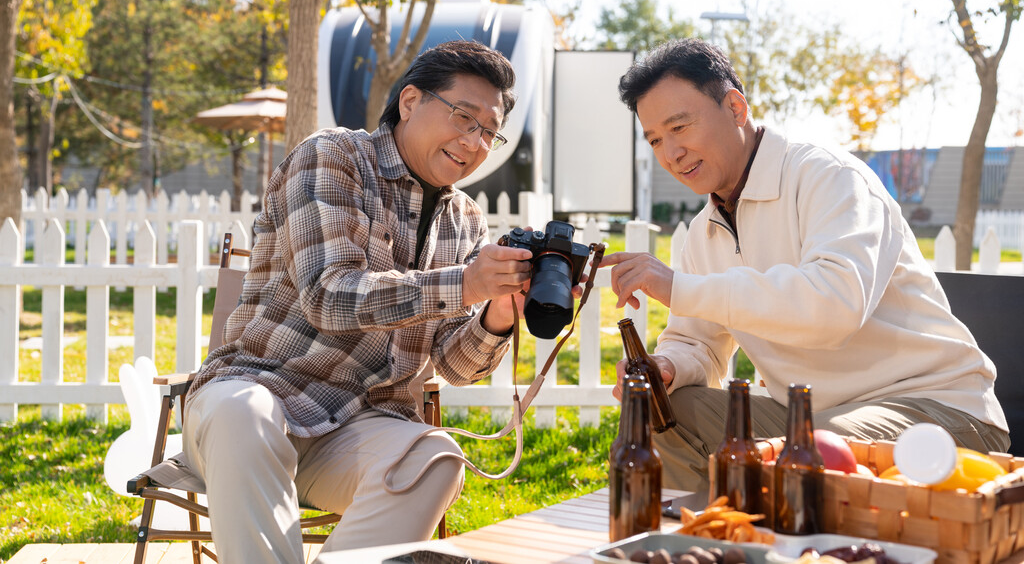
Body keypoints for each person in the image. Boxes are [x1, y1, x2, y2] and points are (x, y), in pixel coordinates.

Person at [600, 38, 1009, 493]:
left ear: (736, 108)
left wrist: (679, 287)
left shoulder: (831, 178)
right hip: (810, 416)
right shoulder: (705, 230)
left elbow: (834, 307)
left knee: (810, 453)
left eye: (680, 127)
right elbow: (700, 346)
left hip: (933, 409)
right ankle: (711, 538)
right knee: (662, 414)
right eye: (656, 139)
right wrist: (668, 365)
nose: (670, 153)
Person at [182, 40, 535, 562]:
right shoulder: (333, 156)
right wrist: (465, 284)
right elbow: (329, 295)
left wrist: (499, 313)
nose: (475, 141)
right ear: (410, 101)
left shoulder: (466, 220)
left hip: (362, 427)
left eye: (489, 131)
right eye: (464, 118)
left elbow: (456, 365)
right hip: (261, 395)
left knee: (437, 457)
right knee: (244, 414)